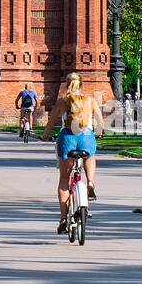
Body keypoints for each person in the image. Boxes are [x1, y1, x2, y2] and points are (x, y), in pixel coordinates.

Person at [42, 72, 103, 234]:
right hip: (87, 136)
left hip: (67, 138)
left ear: (66, 85)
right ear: (81, 85)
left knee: (64, 178)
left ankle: (63, 218)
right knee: (90, 155)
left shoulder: (63, 101)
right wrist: (98, 132)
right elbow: (101, 121)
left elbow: (51, 121)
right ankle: (90, 182)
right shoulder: (89, 100)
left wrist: (45, 135)